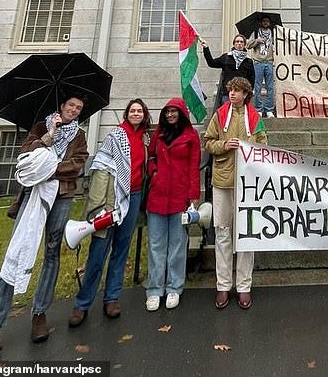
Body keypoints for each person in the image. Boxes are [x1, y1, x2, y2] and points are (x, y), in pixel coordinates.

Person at [0, 94, 89, 359]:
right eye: (71, 106)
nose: (74, 111)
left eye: (79, 108)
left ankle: (39, 314)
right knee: (16, 252)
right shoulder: (41, 126)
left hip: (62, 196)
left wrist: (48, 167)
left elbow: (77, 164)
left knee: (51, 254)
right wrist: (48, 136)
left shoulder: (79, 136)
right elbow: (26, 153)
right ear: (61, 106)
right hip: (33, 195)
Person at [68, 99, 151, 327]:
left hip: (133, 198)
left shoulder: (145, 139)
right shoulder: (116, 137)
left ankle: (112, 297)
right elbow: (101, 169)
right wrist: (99, 207)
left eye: (140, 111)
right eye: (133, 110)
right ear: (127, 113)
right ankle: (82, 303)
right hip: (112, 199)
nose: (136, 114)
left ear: (144, 115)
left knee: (121, 249)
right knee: (99, 250)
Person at [204, 76, 267, 310]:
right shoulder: (220, 115)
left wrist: (253, 147)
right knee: (222, 231)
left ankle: (244, 286)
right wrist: (223, 146)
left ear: (246, 94)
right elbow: (208, 141)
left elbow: (264, 144)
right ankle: (223, 284)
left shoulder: (255, 118)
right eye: (231, 90)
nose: (232, 94)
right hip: (223, 181)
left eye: (237, 91)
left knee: (246, 235)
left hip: (247, 183)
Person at [145, 98, 201, 311]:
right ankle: (154, 289)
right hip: (158, 195)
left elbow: (194, 165)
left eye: (173, 111)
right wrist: (155, 174)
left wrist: (193, 195)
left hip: (179, 195)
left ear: (181, 113)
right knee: (156, 245)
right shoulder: (158, 135)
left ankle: (174, 287)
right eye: (167, 112)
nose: (169, 115)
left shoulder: (191, 136)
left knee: (177, 246)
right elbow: (150, 158)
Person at [202, 34, 255, 108]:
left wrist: (248, 93)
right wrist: (206, 49)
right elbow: (211, 63)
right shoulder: (226, 57)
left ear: (244, 44)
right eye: (237, 41)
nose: (239, 43)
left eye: (241, 42)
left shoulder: (248, 61)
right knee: (227, 116)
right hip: (227, 94)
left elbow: (252, 79)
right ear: (234, 44)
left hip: (242, 95)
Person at [247, 15, 275, 118]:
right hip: (258, 62)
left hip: (269, 62)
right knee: (257, 87)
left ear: (270, 23)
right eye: (264, 21)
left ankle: (269, 109)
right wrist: (257, 41)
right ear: (261, 22)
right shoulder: (255, 32)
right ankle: (258, 109)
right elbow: (248, 45)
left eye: (267, 21)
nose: (266, 22)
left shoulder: (274, 33)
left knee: (270, 87)